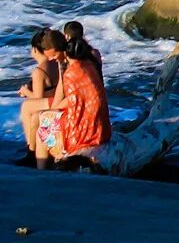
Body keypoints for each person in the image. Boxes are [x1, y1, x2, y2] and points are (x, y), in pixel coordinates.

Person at [31, 27, 111, 166]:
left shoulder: (71, 73)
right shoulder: (86, 62)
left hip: (84, 131)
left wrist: (55, 108)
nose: (52, 60)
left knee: (42, 131)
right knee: (45, 117)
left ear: (62, 50)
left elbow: (72, 100)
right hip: (99, 124)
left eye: (54, 56)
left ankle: (40, 170)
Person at [18, 33, 61, 166]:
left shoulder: (39, 71)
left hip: (50, 105)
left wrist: (26, 92)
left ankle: (31, 150)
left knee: (26, 108)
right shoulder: (57, 62)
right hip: (58, 101)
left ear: (35, 49)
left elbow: (37, 100)